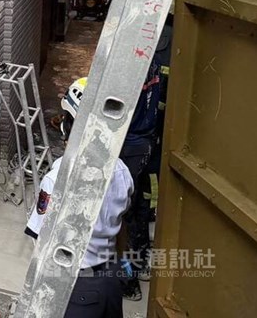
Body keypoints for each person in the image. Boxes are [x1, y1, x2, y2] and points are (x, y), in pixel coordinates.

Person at [27, 77, 134, 318]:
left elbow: (41, 242)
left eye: (66, 119)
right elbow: (122, 224)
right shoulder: (121, 169)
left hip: (77, 289)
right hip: (110, 280)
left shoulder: (59, 177)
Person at [119, 55, 163, 300]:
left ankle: (128, 280)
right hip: (146, 142)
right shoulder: (152, 58)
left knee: (126, 213)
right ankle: (140, 264)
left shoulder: (129, 65)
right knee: (139, 208)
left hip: (130, 144)